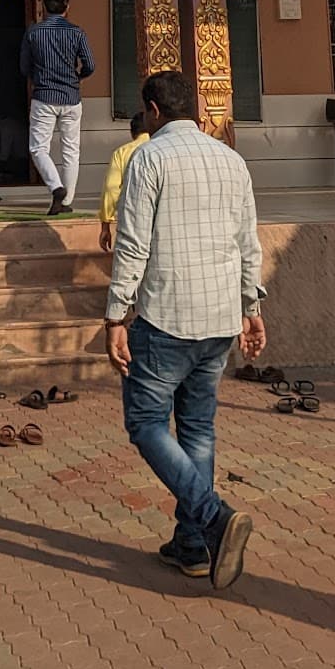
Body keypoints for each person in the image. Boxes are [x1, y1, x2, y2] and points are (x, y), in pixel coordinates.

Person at [105, 69, 267, 592]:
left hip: (167, 316)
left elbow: (132, 244)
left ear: (153, 110)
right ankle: (193, 545)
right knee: (197, 428)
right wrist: (251, 305)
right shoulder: (230, 159)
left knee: (146, 423)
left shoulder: (148, 158)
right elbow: (248, 240)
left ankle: (212, 517)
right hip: (219, 316)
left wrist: (115, 316)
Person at [20, 0, 95, 217]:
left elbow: (24, 67)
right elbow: (90, 65)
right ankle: (67, 199)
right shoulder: (77, 32)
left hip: (43, 96)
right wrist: (76, 78)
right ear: (67, 8)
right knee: (71, 150)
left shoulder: (33, 32)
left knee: (38, 148)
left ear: (44, 7)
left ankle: (56, 187)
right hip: (71, 97)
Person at [98, 110, 150, 254]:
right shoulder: (163, 149)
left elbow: (111, 188)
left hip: (131, 218)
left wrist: (105, 224)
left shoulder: (122, 153)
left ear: (132, 133)